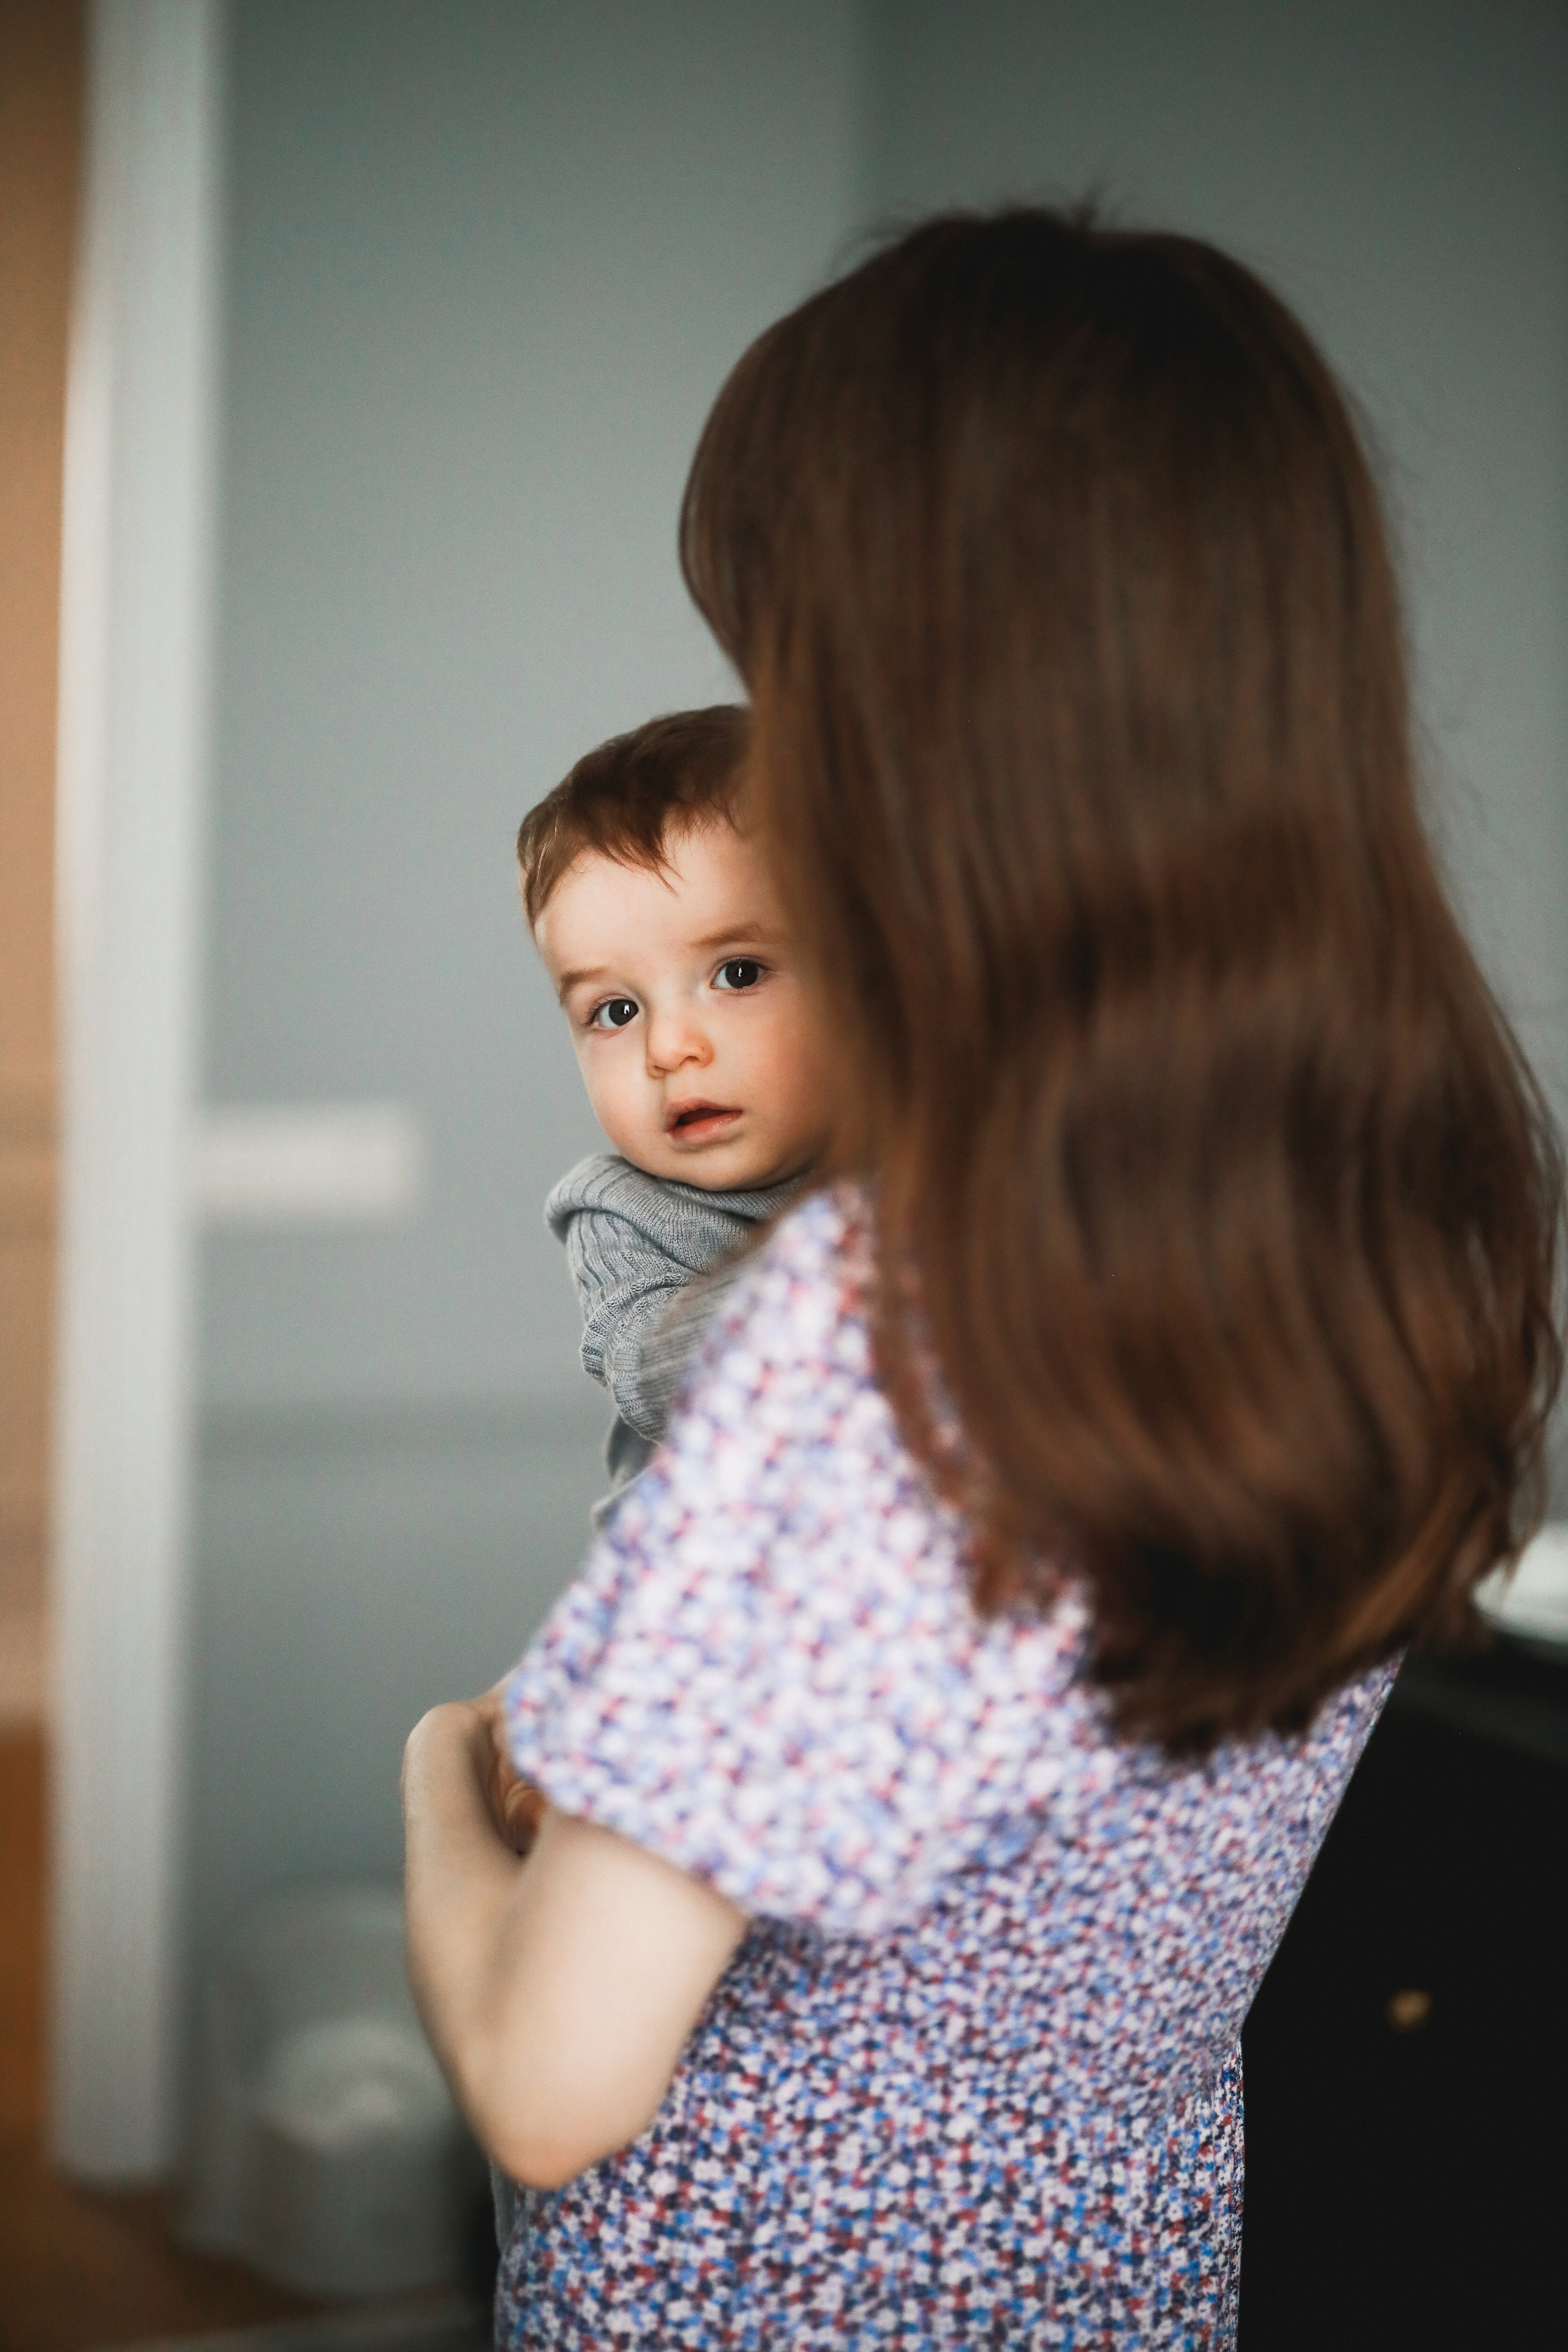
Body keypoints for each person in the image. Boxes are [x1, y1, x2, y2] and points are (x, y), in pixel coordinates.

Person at [402, 209, 1562, 2349]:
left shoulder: (878, 1332)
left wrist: (433, 1767)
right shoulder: (1414, 1205)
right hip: (1118, 2273)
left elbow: (555, 2085)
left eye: (798, 673)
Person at [519, 706, 827, 1500]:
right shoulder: (621, 1213)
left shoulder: (935, 1161)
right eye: (615, 1012)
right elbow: (658, 1375)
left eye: (738, 974)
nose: (667, 1048)